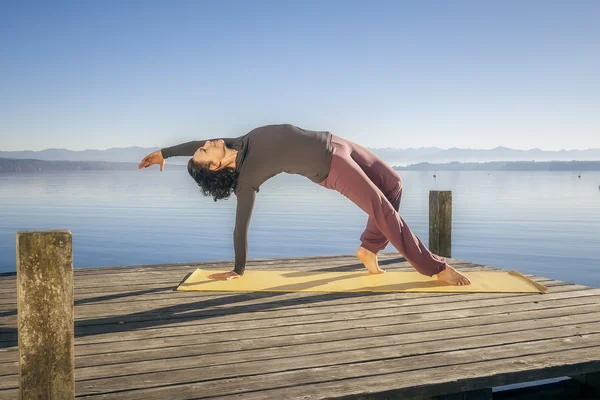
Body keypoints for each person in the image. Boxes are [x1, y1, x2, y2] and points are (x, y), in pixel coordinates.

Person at [138, 124, 471, 286]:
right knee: (381, 207)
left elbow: (194, 143)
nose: (208, 143)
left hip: (336, 142)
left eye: (206, 145)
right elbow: (241, 226)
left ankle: (369, 249)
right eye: (205, 151)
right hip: (330, 167)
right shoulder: (247, 179)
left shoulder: (234, 142)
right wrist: (238, 270)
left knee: (394, 183)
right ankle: (433, 267)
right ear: (215, 167)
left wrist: (164, 153)